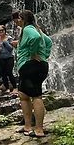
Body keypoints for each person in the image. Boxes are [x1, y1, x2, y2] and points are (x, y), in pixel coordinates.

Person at [14, 9, 50, 138]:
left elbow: (35, 38)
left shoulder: (29, 29)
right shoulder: (35, 28)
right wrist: (45, 55)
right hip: (37, 66)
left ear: (23, 19)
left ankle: (39, 129)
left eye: (18, 18)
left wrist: (33, 53)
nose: (16, 21)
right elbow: (48, 41)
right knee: (23, 94)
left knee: (36, 96)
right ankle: (28, 126)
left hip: (31, 66)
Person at [0, 24, 17, 93]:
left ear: (5, 30)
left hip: (9, 58)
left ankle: (14, 87)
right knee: (3, 73)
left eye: (2, 30)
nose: (1, 31)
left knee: (9, 72)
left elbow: (11, 49)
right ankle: (7, 88)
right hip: (1, 58)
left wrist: (5, 42)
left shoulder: (9, 38)